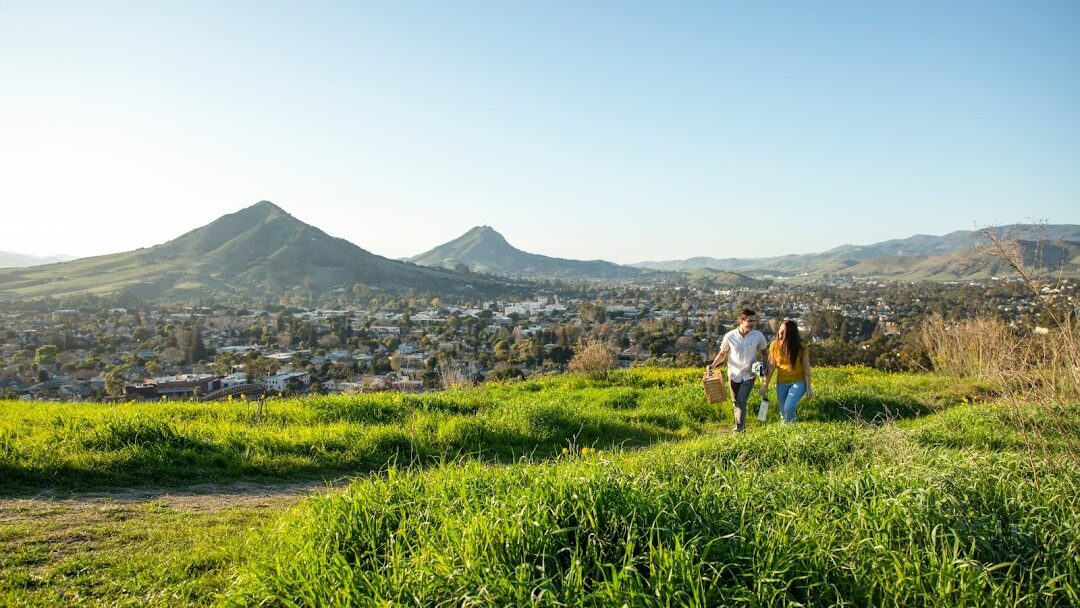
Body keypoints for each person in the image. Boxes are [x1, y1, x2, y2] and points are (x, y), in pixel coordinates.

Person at [708, 309, 768, 432]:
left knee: (741, 400)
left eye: (754, 321)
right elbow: (723, 354)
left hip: (749, 374)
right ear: (741, 320)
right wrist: (713, 365)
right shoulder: (729, 336)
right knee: (735, 402)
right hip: (733, 374)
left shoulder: (758, 336)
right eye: (750, 321)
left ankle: (740, 428)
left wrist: (764, 368)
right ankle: (740, 425)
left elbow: (764, 353)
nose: (752, 324)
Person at [761, 319, 812, 424]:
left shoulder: (801, 347)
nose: (780, 333)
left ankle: (793, 430)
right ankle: (787, 434)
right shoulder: (774, 345)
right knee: (783, 412)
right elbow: (771, 367)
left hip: (799, 382)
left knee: (789, 407)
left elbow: (806, 369)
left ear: (791, 333)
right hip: (781, 383)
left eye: (784, 331)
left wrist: (808, 388)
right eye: (780, 330)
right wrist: (765, 385)